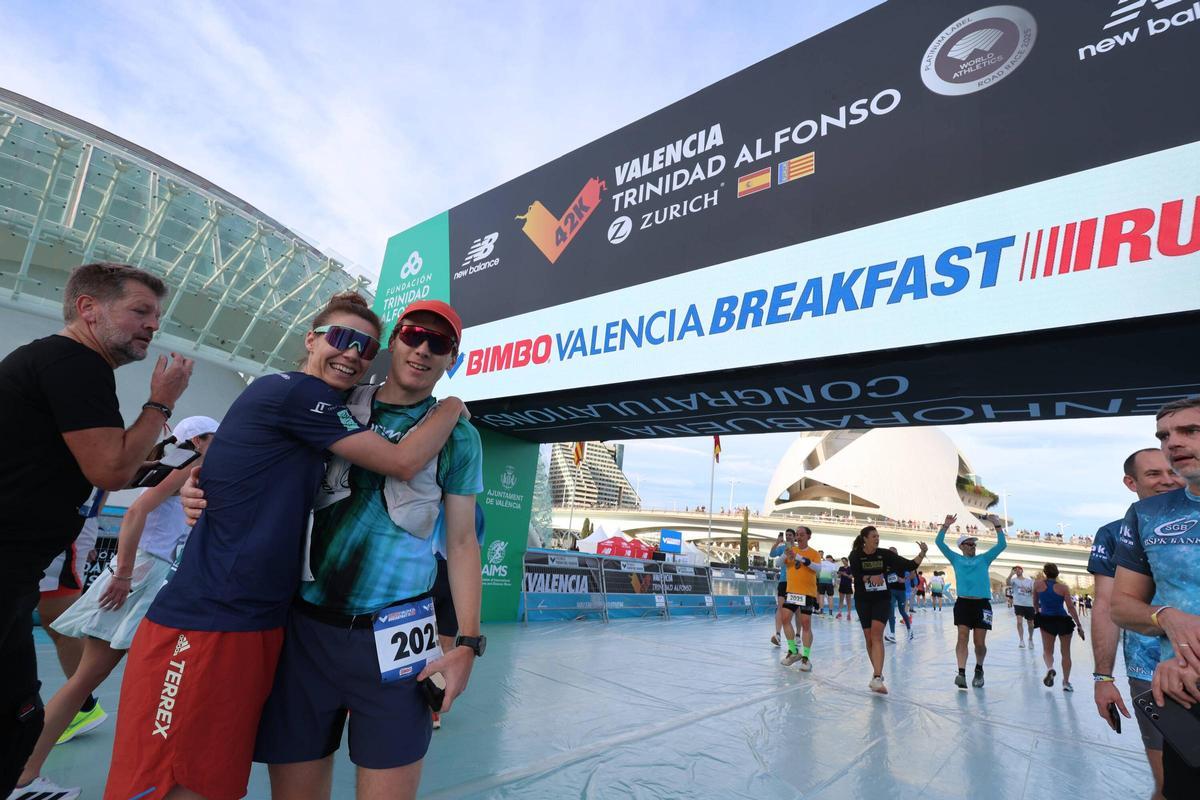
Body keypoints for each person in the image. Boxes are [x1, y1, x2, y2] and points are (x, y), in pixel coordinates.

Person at [103, 294, 468, 800]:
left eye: (363, 346)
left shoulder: (342, 413)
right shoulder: (298, 393)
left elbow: (461, 541)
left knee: (211, 777)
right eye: (341, 338)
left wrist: (461, 641)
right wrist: (452, 407)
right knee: (166, 778)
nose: (352, 353)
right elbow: (403, 461)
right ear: (311, 340)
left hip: (270, 622)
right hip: (212, 615)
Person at [253, 300, 485, 800]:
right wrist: (196, 490)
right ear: (394, 342)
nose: (422, 350)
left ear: (453, 358)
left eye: (438, 344)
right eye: (413, 335)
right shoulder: (334, 404)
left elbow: (463, 541)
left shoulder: (460, 437)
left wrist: (467, 643)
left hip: (400, 640)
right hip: (307, 630)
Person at [0, 262, 192, 797]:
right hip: (8, 557)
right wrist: (162, 401)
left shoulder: (52, 362)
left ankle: (17, 779)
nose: (152, 326)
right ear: (89, 308)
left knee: (17, 703)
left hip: (19, 566)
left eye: (156, 316)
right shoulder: (74, 363)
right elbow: (113, 470)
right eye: (140, 311)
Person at [15, 417, 218, 796]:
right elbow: (137, 512)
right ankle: (27, 774)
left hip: (144, 577)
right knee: (126, 685)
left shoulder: (174, 465)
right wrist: (124, 575)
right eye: (215, 438)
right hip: (143, 578)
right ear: (200, 440)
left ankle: (23, 773)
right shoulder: (188, 466)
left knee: (89, 681)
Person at [1111, 397, 1200, 797]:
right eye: (1165, 435)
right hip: (1182, 693)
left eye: (1190, 431)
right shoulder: (1147, 513)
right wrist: (1165, 616)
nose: (1173, 443)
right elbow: (1121, 605)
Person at [1087, 448, 1180, 800]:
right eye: (1154, 474)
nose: (1168, 480)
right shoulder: (1114, 534)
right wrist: (1103, 677)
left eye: (1172, 471)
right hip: (1151, 673)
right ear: (1131, 483)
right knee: (1170, 785)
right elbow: (1106, 606)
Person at [36, 511, 105, 749]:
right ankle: (81, 704)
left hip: (61, 523)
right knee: (53, 622)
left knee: (60, 623)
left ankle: (81, 705)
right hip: (31, 519)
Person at [849, 526, 928, 694]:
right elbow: (856, 574)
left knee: (877, 635)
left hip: (882, 599)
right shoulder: (855, 555)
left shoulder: (885, 554)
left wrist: (922, 553)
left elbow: (908, 565)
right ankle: (877, 673)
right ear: (864, 538)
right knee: (869, 638)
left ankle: (877, 677)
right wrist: (871, 577)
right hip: (863, 600)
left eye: (878, 536)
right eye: (873, 536)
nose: (877, 539)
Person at [936, 513, 1007, 689]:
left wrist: (997, 525)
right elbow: (939, 543)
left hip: (982, 605)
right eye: (969, 544)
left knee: (979, 643)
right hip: (963, 604)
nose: (973, 546)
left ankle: (979, 668)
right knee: (962, 636)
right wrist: (945, 525)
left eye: (974, 544)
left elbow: (1002, 545)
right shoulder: (955, 559)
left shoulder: (984, 559)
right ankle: (961, 673)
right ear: (961, 546)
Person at [1034, 562, 1085, 691]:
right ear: (1057, 574)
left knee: (1047, 651)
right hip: (1063, 621)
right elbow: (1071, 608)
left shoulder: (1038, 585)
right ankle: (1066, 683)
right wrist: (1079, 625)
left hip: (1046, 620)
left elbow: (1035, 603)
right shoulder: (1063, 588)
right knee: (1066, 654)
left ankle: (1050, 668)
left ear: (1045, 573)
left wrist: (1037, 615)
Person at [779, 527, 820, 670]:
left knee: (806, 624)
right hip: (792, 591)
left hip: (807, 593)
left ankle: (806, 658)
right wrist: (786, 555)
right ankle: (793, 651)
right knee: (785, 619)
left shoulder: (814, 553)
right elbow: (778, 563)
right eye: (797, 535)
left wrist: (800, 558)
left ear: (809, 536)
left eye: (802, 534)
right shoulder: (791, 550)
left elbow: (817, 568)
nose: (799, 537)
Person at [768, 529, 795, 645]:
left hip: (795, 583)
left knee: (795, 611)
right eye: (787, 535)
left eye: (790, 535)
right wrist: (777, 542)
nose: (788, 537)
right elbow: (771, 554)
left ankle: (797, 635)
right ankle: (778, 634)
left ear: (794, 537)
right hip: (784, 581)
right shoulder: (782, 547)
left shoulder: (797, 549)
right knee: (780, 607)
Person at [884, 550, 913, 643]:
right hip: (890, 591)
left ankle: (909, 630)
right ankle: (892, 634)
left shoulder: (901, 562)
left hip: (901, 591)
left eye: (893, 552)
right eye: (890, 552)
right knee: (890, 612)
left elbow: (913, 573)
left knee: (902, 611)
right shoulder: (886, 564)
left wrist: (904, 579)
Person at [1008, 566, 1035, 648]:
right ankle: (1021, 640)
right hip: (1018, 604)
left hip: (1029, 604)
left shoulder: (1030, 581)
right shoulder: (1013, 580)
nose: (1017, 570)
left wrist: (1029, 590)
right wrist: (1010, 574)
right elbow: (1007, 583)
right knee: (1019, 622)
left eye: (1019, 569)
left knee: (1031, 624)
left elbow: (1034, 591)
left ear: (1022, 571)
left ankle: (1030, 639)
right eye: (1015, 570)